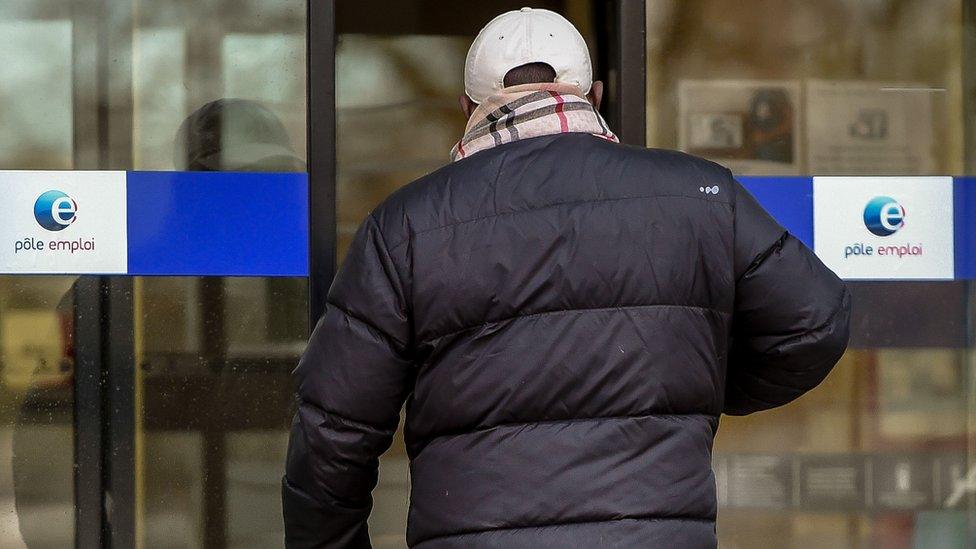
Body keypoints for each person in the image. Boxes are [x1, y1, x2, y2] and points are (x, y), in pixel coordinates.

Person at [282, 8, 851, 548]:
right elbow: (814, 323)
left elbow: (335, 429)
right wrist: (686, 393)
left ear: (467, 106)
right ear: (595, 96)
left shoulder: (406, 226)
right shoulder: (699, 196)